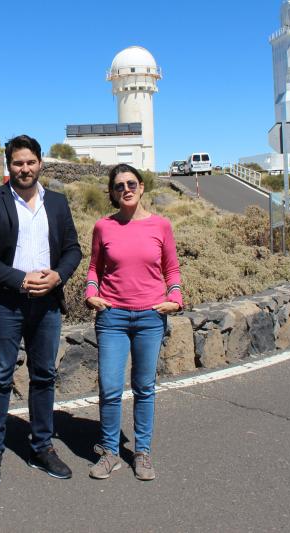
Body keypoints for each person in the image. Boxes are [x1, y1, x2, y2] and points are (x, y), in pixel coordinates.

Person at [0, 134, 82, 486]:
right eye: (17, 162)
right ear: (9, 165)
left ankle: (42, 447)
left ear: (40, 163)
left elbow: (73, 250)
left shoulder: (59, 203)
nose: (24, 168)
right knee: (0, 377)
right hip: (6, 303)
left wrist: (57, 277)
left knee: (44, 375)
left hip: (47, 304)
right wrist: (20, 280)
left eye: (30, 162)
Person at [84, 163, 182, 481]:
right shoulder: (103, 227)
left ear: (141, 187)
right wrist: (90, 293)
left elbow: (172, 269)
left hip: (151, 316)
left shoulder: (161, 225)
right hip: (112, 316)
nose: (125, 189)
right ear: (112, 193)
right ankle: (111, 452)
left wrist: (176, 298)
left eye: (131, 183)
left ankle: (142, 453)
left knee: (144, 388)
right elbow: (94, 268)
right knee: (111, 388)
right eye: (118, 186)